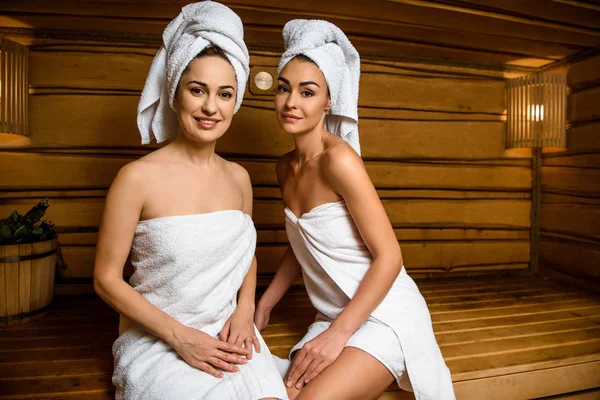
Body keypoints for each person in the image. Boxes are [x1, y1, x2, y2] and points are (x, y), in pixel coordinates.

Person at [93, 2, 287, 399]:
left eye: (225, 94)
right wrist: (181, 337)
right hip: (157, 342)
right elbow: (106, 279)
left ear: (236, 102)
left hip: (229, 334)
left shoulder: (239, 178)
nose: (211, 107)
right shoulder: (136, 178)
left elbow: (244, 253)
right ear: (175, 94)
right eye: (197, 90)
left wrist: (245, 308)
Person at [254, 19, 456, 400]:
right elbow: (303, 243)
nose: (291, 102)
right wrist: (262, 305)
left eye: (307, 92)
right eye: (284, 88)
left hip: (384, 315)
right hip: (334, 313)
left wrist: (338, 335)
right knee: (275, 396)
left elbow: (390, 257)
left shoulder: (340, 161)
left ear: (329, 100)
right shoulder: (285, 167)